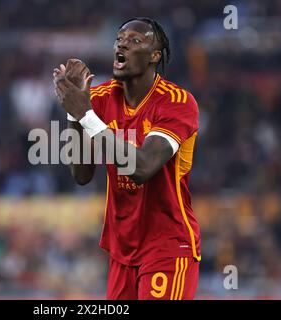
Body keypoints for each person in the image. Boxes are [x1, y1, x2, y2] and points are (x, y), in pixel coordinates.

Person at [53, 17, 201, 300]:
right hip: (122, 251)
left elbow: (142, 167)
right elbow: (81, 175)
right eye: (120, 38)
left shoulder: (177, 102)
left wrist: (86, 116)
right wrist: (73, 111)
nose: (122, 43)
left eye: (136, 40)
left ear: (154, 56)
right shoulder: (100, 98)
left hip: (168, 247)